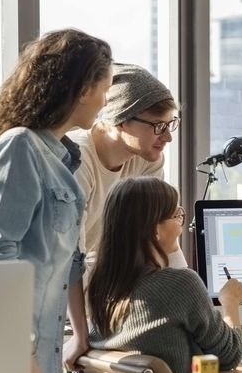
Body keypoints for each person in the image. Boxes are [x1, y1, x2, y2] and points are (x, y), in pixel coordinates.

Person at [0, 28, 113, 373]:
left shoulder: (65, 158)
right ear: (84, 89)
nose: (105, 101)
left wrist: (81, 335)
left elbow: (71, 263)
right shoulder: (20, 148)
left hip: (43, 362)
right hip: (11, 360)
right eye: (105, 89)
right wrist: (18, 351)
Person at [86, 176, 242, 373]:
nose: (181, 226)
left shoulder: (101, 287)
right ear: (154, 230)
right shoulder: (180, 284)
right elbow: (229, 356)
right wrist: (230, 302)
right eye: (177, 216)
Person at [68, 63, 185, 283]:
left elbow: (156, 235)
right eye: (159, 126)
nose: (168, 137)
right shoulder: (77, 160)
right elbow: (71, 259)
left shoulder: (148, 160)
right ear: (121, 120)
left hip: (107, 280)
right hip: (66, 287)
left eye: (171, 124)